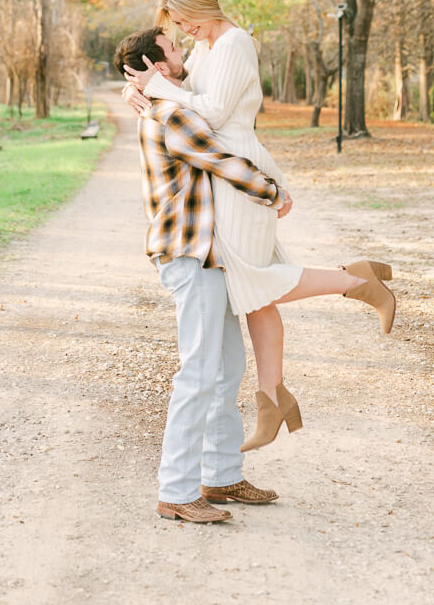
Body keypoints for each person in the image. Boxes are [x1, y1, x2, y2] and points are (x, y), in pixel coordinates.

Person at [123, 0, 396, 452]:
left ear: (203, 5)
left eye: (184, 19)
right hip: (226, 173)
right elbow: (176, 89)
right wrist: (140, 93)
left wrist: (160, 91)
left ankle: (355, 280)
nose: (183, 30)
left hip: (239, 169)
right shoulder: (205, 48)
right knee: (255, 292)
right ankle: (272, 397)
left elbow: (210, 110)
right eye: (176, 26)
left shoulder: (235, 43)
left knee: (252, 279)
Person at [114, 26, 291, 524]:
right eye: (173, 47)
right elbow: (219, 160)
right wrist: (273, 191)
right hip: (189, 256)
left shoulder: (164, 102)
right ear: (157, 65)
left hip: (208, 255)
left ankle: (221, 474)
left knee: (227, 367)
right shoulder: (170, 113)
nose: (184, 51)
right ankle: (176, 488)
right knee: (197, 373)